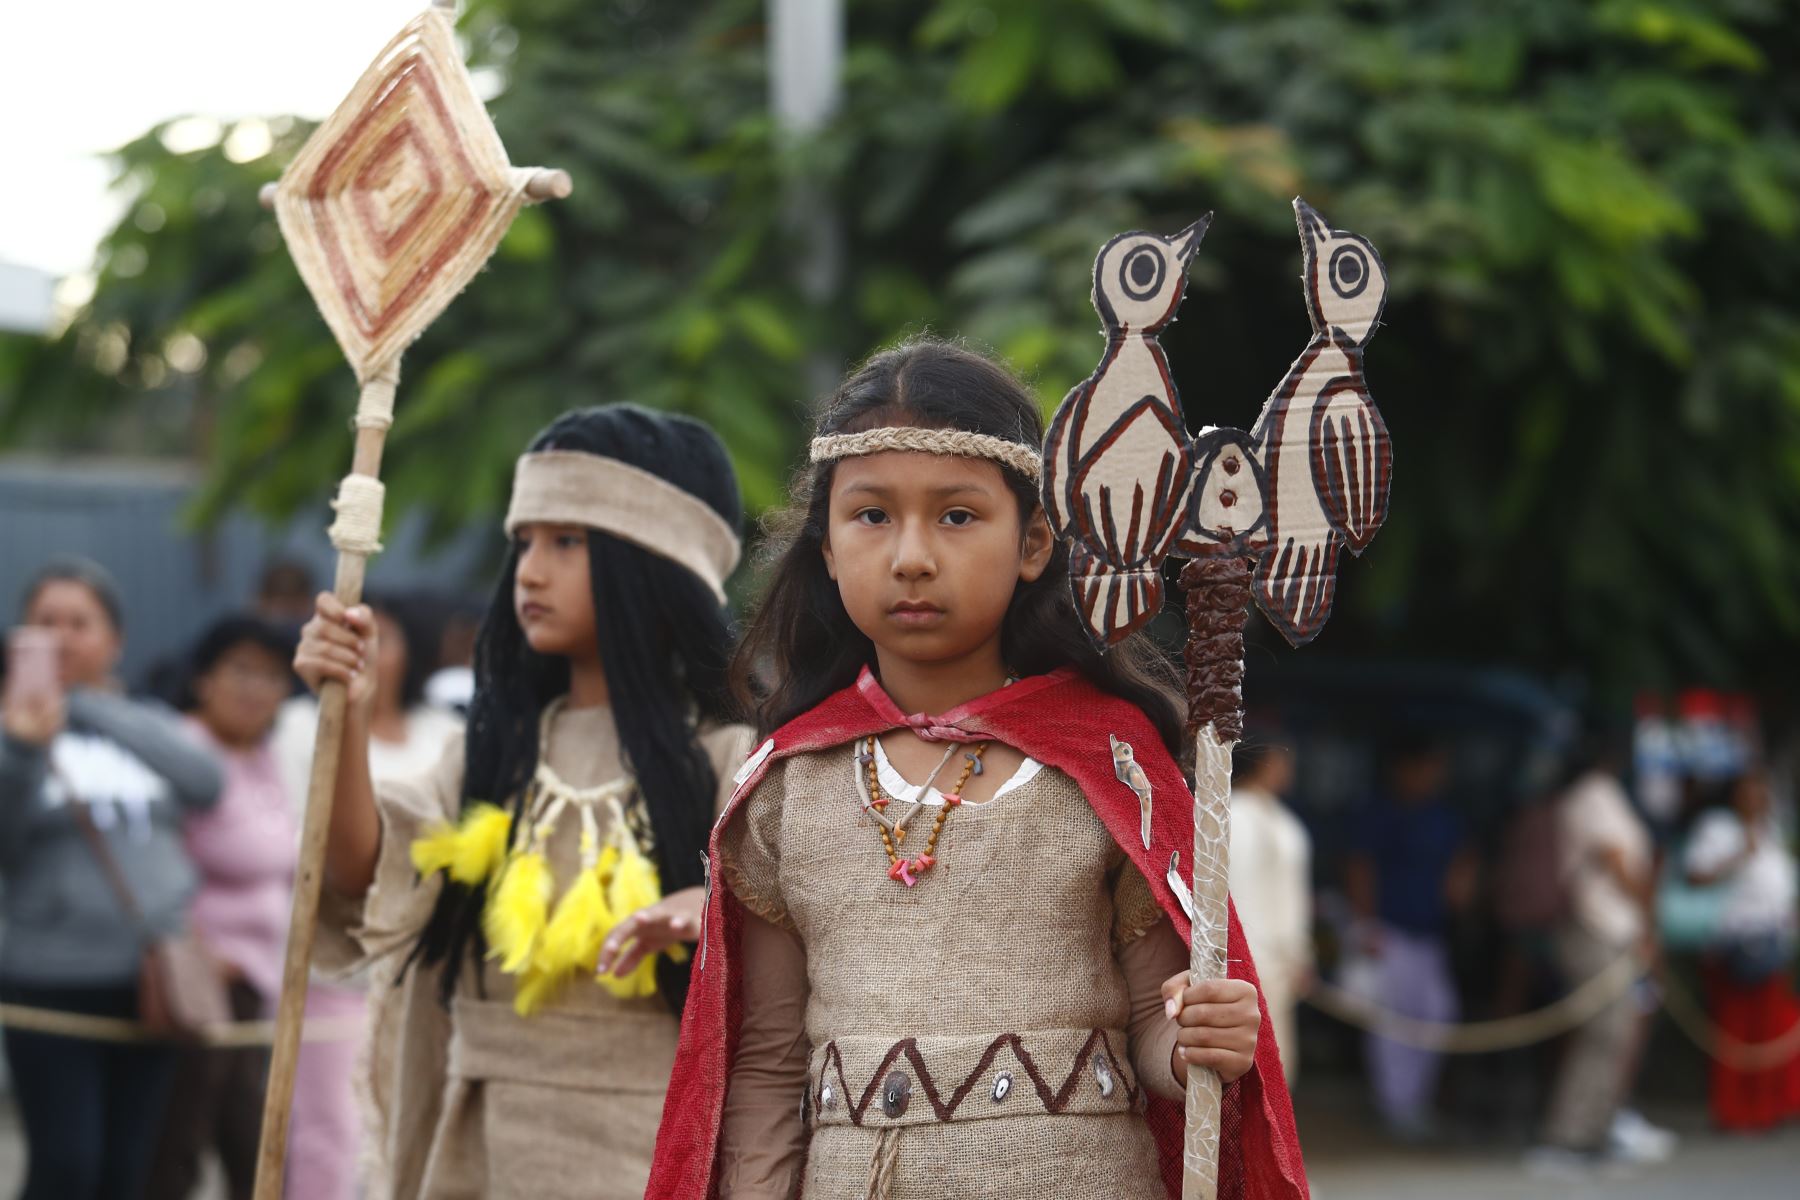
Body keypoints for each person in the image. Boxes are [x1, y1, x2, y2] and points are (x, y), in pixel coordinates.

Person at [650, 339, 1303, 1199]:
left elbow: (1154, 1030)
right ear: (827, 550)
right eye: (871, 516)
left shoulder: (1114, 769)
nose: (912, 556)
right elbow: (766, 1069)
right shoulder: (785, 787)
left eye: (957, 516)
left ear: (1033, 542)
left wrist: (1197, 1044)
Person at [294, 405, 753, 1199]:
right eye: (524, 542)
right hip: (481, 1146)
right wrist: (351, 716)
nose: (531, 572)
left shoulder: (733, 755)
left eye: (567, 542)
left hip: (653, 1145)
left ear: (652, 564)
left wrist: (713, 904)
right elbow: (364, 877)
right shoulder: (489, 755)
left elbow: (797, 927)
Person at [0, 556, 223, 1200]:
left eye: (80, 623)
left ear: (115, 641)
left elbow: (206, 781)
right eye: (46, 622)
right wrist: (21, 742)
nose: (64, 637)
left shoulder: (145, 724)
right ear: (22, 636)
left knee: (127, 1169)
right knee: (67, 1166)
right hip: (49, 984)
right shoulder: (11, 734)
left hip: (152, 982)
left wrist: (84, 707)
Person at [272, 591, 465, 1200]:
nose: (370, 651)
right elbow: (303, 843)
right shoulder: (302, 726)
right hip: (337, 966)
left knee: (419, 1137)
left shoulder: (446, 733)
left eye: (386, 635)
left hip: (428, 972)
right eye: (355, 635)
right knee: (329, 1136)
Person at [146, 615, 300, 1200]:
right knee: (181, 1144)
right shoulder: (181, 749)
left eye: (269, 676)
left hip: (256, 982)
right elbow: (153, 856)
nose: (253, 688)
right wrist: (195, 950)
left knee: (256, 1146)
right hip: (198, 987)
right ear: (203, 678)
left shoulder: (264, 756)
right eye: (239, 669)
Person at [1529, 730, 1672, 1172]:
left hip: (1614, 931)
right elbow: (1614, 859)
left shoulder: (1601, 795)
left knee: (1614, 1035)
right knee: (1605, 1034)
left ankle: (1594, 1130)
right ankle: (1568, 1136)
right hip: (1597, 927)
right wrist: (1648, 913)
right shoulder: (1592, 795)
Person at [1343, 736, 1474, 1141]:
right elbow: (1360, 868)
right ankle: (1398, 1106)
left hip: (1429, 934)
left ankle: (1415, 1101)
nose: (1432, 776)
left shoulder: (1444, 816)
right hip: (1390, 933)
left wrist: (1465, 880)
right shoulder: (1383, 812)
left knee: (1437, 1015)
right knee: (1393, 1023)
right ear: (1405, 768)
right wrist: (1366, 925)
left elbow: (1463, 862)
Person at [1684, 767, 1800, 1131]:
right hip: (1735, 943)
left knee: (1773, 1028)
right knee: (1737, 1031)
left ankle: (1770, 1106)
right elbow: (1695, 876)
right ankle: (1735, 1110)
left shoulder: (1773, 830)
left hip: (1773, 940)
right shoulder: (1717, 829)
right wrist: (1736, 857)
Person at [1229, 739, 1312, 1083]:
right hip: (1245, 957)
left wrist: (1298, 956)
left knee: (1276, 1059)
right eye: (1279, 761)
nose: (1285, 770)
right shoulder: (1232, 814)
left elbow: (1291, 897)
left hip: (1277, 959)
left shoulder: (1279, 819)